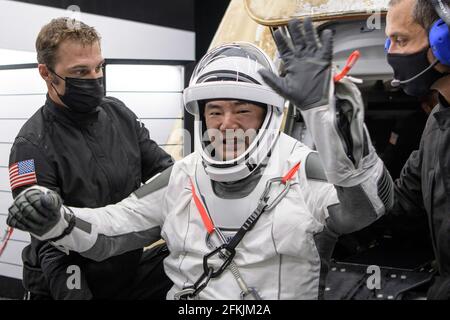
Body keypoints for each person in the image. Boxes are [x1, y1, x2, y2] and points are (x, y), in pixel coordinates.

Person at [7, 41, 393, 300]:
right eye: (214, 111)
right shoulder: (181, 177)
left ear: (268, 116)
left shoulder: (301, 167)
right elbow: (112, 227)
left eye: (242, 110)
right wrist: (57, 221)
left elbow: (364, 211)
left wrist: (334, 130)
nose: (226, 124)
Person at [258, 0, 450, 299]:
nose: (391, 54)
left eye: (401, 40)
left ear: (444, 42)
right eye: (389, 41)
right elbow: (393, 207)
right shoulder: (435, 126)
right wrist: (313, 216)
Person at [8, 17, 173, 299]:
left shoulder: (119, 114)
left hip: (125, 268)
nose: (94, 79)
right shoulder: (30, 147)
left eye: (99, 68)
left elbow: (168, 173)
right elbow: (50, 238)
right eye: (81, 72)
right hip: (65, 278)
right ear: (46, 73)